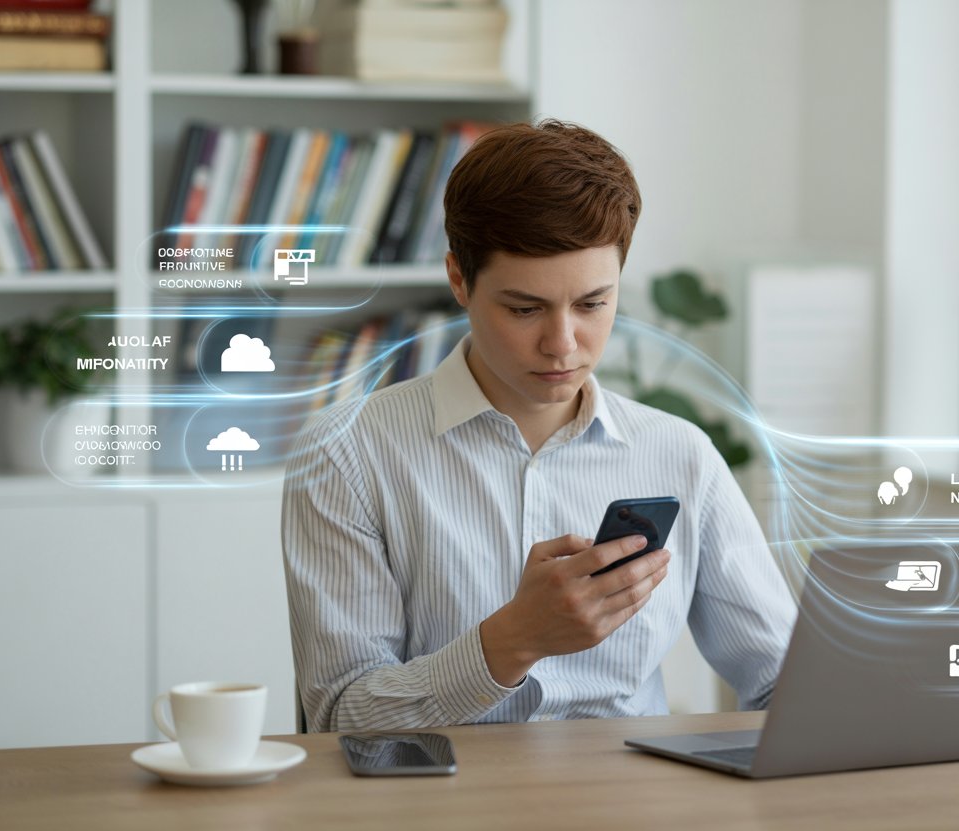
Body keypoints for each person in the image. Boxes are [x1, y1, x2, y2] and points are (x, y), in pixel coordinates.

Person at [282, 119, 796, 732]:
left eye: (592, 304)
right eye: (524, 309)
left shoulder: (680, 453)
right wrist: (512, 641)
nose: (562, 344)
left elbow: (781, 682)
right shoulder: (348, 456)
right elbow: (341, 716)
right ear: (458, 280)